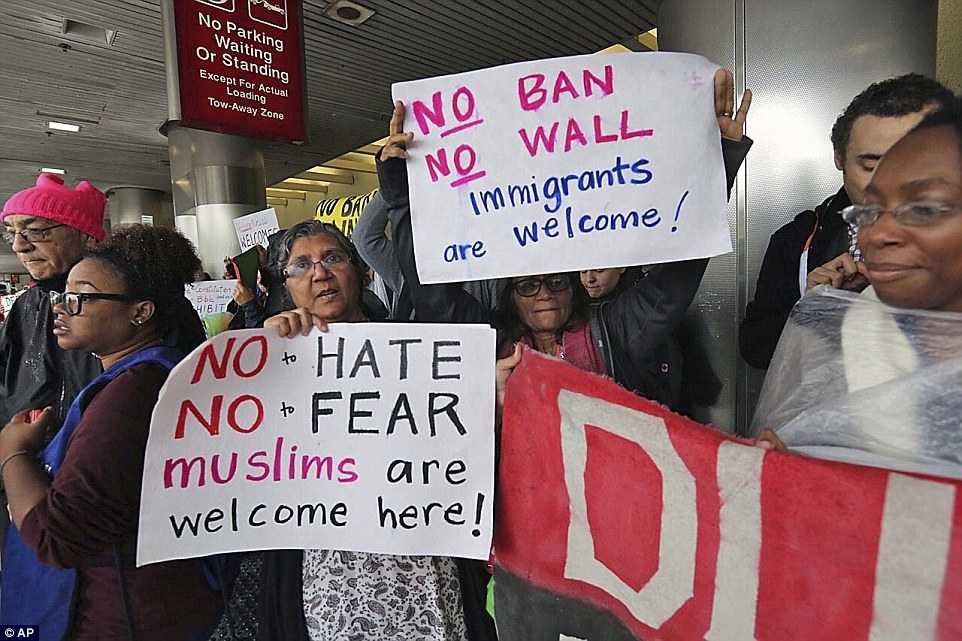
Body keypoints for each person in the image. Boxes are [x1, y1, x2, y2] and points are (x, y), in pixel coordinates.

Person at [378, 69, 752, 409]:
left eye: (557, 281)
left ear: (574, 287)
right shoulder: (487, 338)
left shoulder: (617, 329)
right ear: (510, 294)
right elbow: (430, 286)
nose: (544, 294)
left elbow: (679, 271)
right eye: (527, 285)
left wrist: (718, 159)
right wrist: (400, 193)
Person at [257, 220, 495, 641]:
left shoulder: (418, 347)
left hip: (423, 556)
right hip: (329, 576)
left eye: (333, 258)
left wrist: (483, 396)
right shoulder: (274, 356)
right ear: (286, 286)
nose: (320, 273)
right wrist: (264, 361)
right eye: (301, 265)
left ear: (361, 269)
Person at [0, 225, 221, 640]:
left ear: (140, 312)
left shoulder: (131, 396)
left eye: (79, 298)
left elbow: (56, 536)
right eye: (61, 297)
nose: (61, 309)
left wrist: (13, 455)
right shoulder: (154, 377)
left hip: (116, 615)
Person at [753, 98, 962, 478]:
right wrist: (815, 314)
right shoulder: (805, 248)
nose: (880, 233)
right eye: (871, 210)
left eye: (926, 204)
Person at [739, 74, 955, 369]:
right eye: (871, 166)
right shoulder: (799, 238)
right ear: (839, 158)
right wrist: (814, 308)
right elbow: (756, 348)